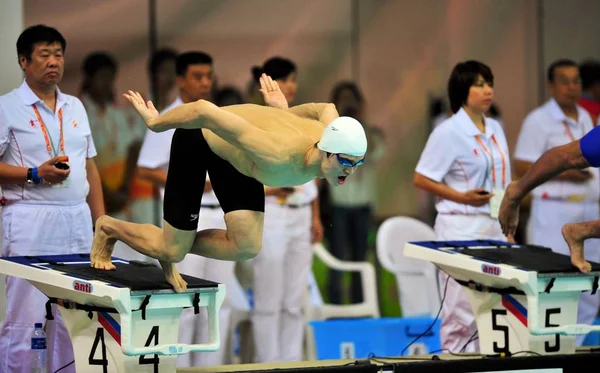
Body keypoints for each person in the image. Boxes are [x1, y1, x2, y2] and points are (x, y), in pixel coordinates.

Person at [90, 73, 367, 294]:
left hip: (240, 159)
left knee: (246, 246)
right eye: (346, 162)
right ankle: (109, 228)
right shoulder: (276, 151)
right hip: (200, 138)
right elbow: (203, 111)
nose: (350, 171)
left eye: (357, 163)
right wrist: (156, 122)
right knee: (171, 249)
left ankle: (175, 242)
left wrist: (288, 113)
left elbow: (327, 107)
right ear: (327, 149)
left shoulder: (331, 131)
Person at [0, 25, 104, 373]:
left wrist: (101, 224)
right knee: (29, 316)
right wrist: (33, 174)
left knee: (74, 314)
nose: (53, 62)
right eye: (44, 54)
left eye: (58, 54)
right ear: (23, 60)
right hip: (30, 216)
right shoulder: (7, 107)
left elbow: (90, 167)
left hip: (76, 218)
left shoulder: (75, 106)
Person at [414, 60, 511, 353]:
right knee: (461, 310)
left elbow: (504, 181)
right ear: (461, 90)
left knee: (494, 306)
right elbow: (421, 178)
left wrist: (508, 228)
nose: (487, 90)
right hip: (459, 226)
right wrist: (462, 197)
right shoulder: (447, 131)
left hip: (493, 226)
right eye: (479, 84)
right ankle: (456, 365)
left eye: (489, 83)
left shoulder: (495, 126)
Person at [249, 57, 323, 363]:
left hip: (301, 211)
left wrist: (316, 216)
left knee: (294, 300)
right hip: (270, 212)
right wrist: (269, 188)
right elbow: (241, 171)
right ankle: (270, 365)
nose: (293, 86)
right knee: (269, 298)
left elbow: (317, 168)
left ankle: (292, 364)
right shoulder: (255, 121)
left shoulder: (305, 119)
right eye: (287, 79)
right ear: (271, 84)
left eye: (294, 79)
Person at [500, 124, 600, 273]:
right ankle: (515, 190)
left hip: (587, 206)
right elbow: (565, 157)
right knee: (571, 157)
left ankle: (581, 230)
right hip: (551, 209)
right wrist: (517, 192)